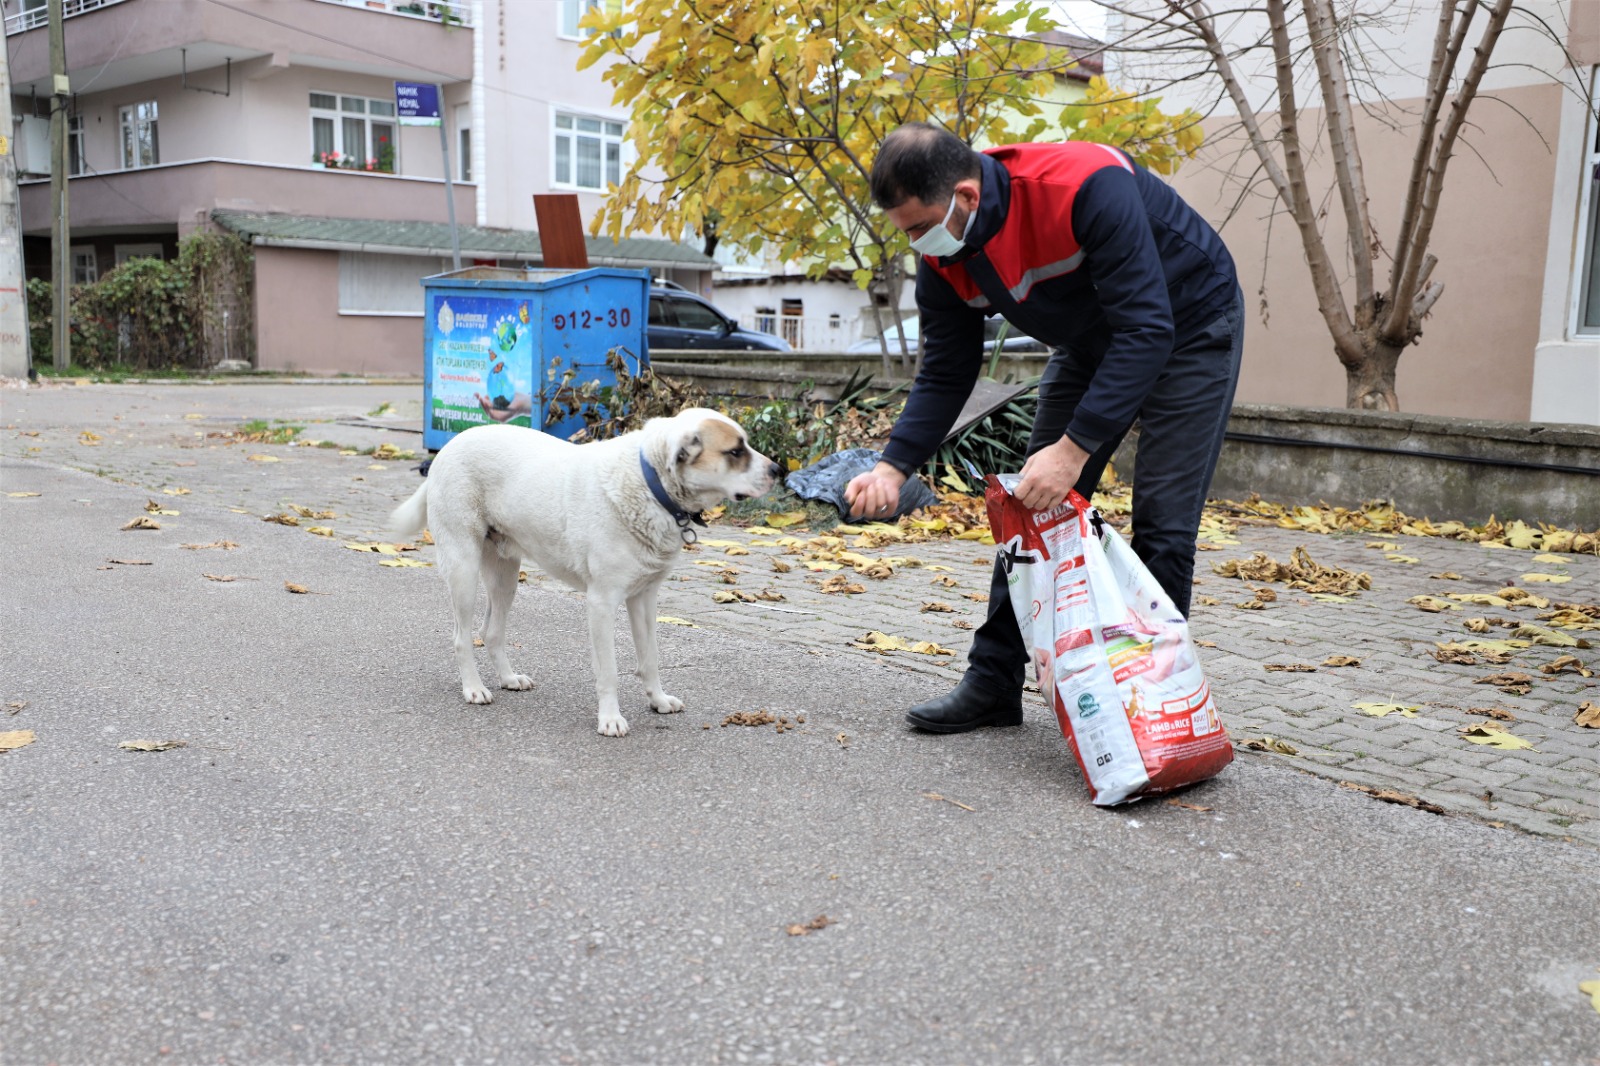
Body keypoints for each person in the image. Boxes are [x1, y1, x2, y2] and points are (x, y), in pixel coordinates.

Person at [844, 122, 1244, 734]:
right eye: (906, 233)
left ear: (967, 196)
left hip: (1190, 325)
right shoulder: (944, 256)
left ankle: (1154, 714)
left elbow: (1147, 329)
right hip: (1090, 341)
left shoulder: (1083, 186)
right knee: (1029, 509)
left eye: (920, 227)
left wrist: (1074, 450)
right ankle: (993, 682)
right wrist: (894, 466)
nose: (916, 245)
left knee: (1163, 521)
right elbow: (948, 370)